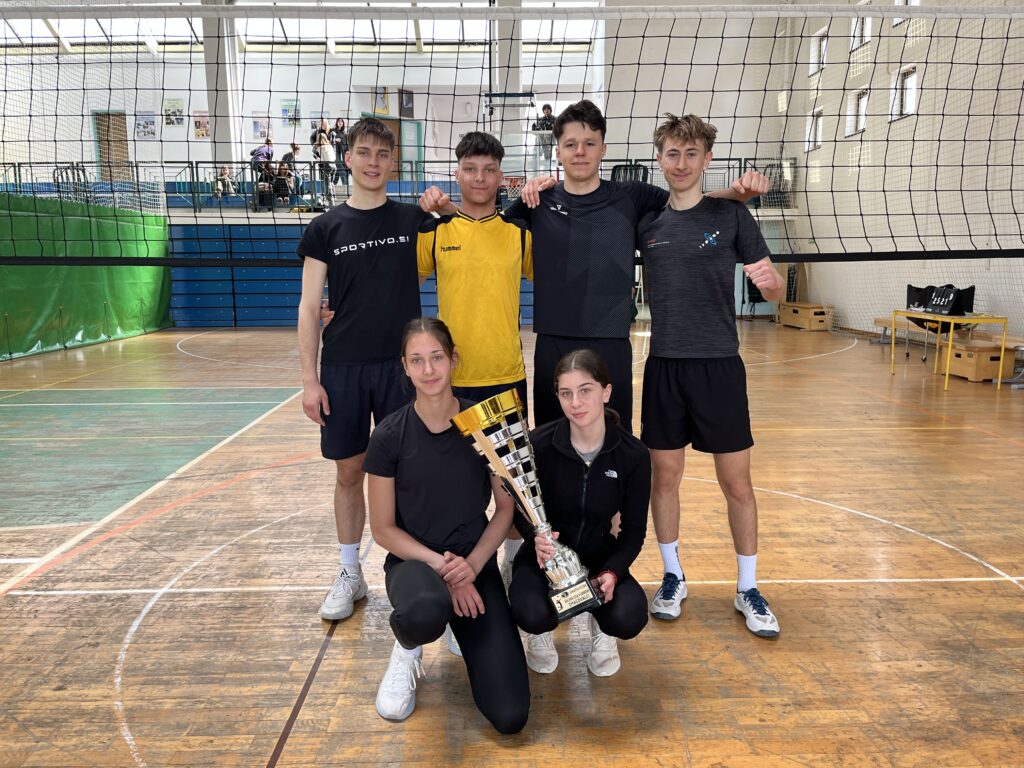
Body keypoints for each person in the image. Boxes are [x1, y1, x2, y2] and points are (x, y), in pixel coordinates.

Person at [508, 100, 770, 433]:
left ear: (603, 149)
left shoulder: (632, 196)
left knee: (615, 440)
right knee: (551, 440)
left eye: (589, 143)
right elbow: (482, 225)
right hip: (552, 343)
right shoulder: (536, 201)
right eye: (571, 144)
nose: (580, 152)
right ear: (557, 151)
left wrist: (738, 192)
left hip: (611, 342)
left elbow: (690, 203)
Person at [638, 113, 785, 638]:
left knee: (736, 483)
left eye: (691, 154)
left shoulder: (732, 216)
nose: (681, 163)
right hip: (664, 367)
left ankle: (748, 587)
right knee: (664, 479)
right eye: (672, 154)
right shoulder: (647, 221)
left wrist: (770, 283)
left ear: (707, 158)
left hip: (720, 366)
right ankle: (672, 576)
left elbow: (776, 292)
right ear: (660, 159)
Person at [296, 117, 433, 624]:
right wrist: (310, 381)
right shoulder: (325, 227)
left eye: (382, 153)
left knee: (410, 474)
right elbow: (308, 307)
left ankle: (418, 573)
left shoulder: (413, 219)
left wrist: (441, 206)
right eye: (364, 152)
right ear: (348, 158)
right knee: (349, 472)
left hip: (402, 369)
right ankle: (350, 572)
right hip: (344, 367)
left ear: (393, 162)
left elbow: (468, 239)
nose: (373, 162)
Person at [365, 317, 530, 731]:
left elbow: (505, 511)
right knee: (425, 609)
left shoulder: (485, 424)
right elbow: (383, 529)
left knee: (510, 715)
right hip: (415, 564)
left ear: (453, 359)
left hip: (474, 565)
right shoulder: (388, 435)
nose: (429, 369)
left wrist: (470, 567)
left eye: (437, 357)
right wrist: (444, 569)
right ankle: (407, 647)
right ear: (404, 367)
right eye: (417, 360)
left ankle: (460, 625)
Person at [508, 348, 650, 677]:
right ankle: (541, 633)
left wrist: (613, 572)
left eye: (585, 390)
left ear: (606, 392)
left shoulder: (633, 454)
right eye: (566, 393)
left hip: (600, 559)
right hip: (545, 560)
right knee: (529, 611)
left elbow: (634, 533)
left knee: (628, 617)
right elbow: (520, 508)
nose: (576, 403)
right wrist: (534, 537)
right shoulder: (538, 444)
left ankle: (602, 626)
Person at [417, 131, 533, 418]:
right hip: (450, 377)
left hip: (506, 377)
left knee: (509, 452)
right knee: (453, 450)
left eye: (489, 170)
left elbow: (558, 284)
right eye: (470, 169)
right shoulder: (434, 233)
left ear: (501, 177)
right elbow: (394, 288)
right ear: (457, 174)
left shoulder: (519, 234)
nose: (480, 178)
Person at [313, 131, 336, 206]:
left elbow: (322, 160)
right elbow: (334, 157)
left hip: (327, 166)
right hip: (334, 165)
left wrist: (317, 158)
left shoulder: (320, 148)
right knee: (331, 183)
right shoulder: (330, 146)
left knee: (327, 185)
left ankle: (331, 202)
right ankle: (333, 198)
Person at [330, 118, 350, 187]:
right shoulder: (332, 130)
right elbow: (328, 139)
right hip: (334, 152)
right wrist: (335, 139)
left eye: (342, 122)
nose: (340, 123)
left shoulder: (344, 133)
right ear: (337, 122)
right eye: (339, 121)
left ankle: (333, 184)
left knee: (340, 170)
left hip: (343, 153)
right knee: (341, 169)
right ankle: (346, 186)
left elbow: (345, 144)